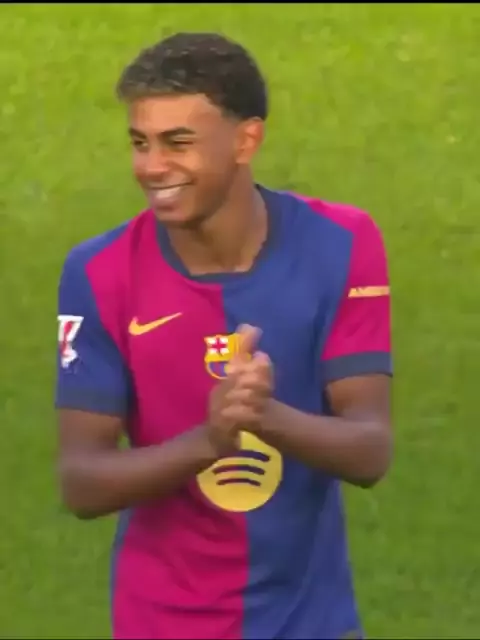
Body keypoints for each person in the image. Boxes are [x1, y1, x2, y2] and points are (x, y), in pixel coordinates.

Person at [55, 32, 393, 640]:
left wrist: (266, 416)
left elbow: (370, 450)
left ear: (246, 140)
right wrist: (210, 441)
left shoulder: (342, 243)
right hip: (160, 625)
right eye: (140, 143)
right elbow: (82, 481)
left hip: (310, 624)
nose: (152, 167)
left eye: (178, 142)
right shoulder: (98, 272)